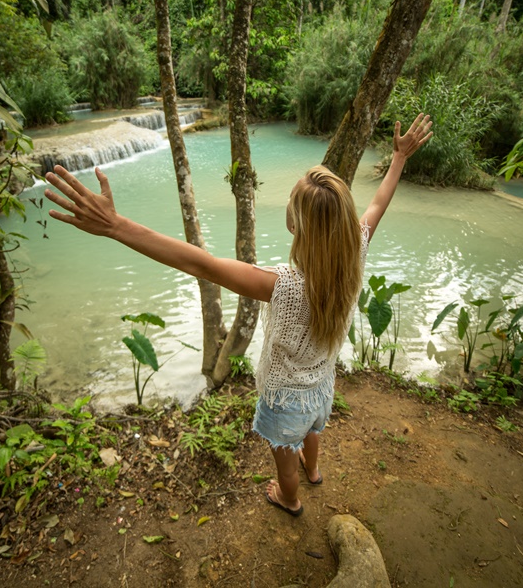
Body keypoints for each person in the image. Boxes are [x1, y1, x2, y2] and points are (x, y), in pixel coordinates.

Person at [43, 113, 433, 517]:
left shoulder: (282, 284)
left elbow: (203, 264)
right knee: (312, 431)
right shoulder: (356, 249)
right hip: (321, 388)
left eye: (291, 200)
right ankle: (314, 471)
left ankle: (290, 499)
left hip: (285, 400)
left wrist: (116, 225)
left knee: (285, 465)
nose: (287, 203)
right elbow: (378, 203)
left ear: (297, 227)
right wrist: (399, 158)